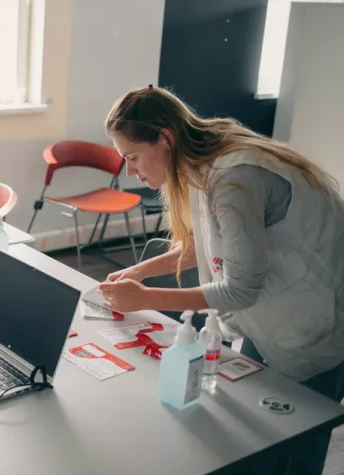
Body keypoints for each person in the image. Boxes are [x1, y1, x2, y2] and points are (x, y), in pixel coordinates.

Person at [99, 85, 344, 473]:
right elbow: (207, 244)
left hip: (311, 327)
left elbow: (240, 287)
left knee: (295, 452)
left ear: (165, 137)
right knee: (253, 444)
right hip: (272, 318)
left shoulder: (234, 177)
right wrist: (140, 271)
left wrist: (144, 297)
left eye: (133, 157)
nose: (130, 171)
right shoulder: (201, 161)